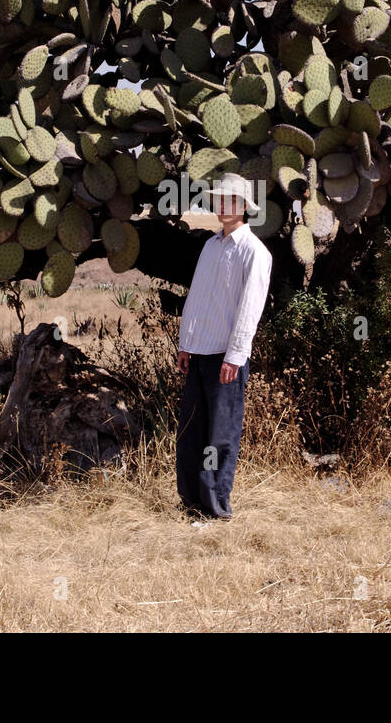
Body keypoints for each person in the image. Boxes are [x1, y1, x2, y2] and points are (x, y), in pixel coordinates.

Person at [175, 172, 273, 522]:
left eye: (230, 200)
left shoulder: (254, 252)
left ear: (245, 207)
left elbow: (250, 308)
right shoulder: (210, 246)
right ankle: (190, 503)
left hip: (225, 358)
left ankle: (216, 508)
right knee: (191, 432)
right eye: (218, 199)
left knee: (220, 436)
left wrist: (235, 355)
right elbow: (197, 298)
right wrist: (186, 344)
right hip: (199, 351)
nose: (222, 205)